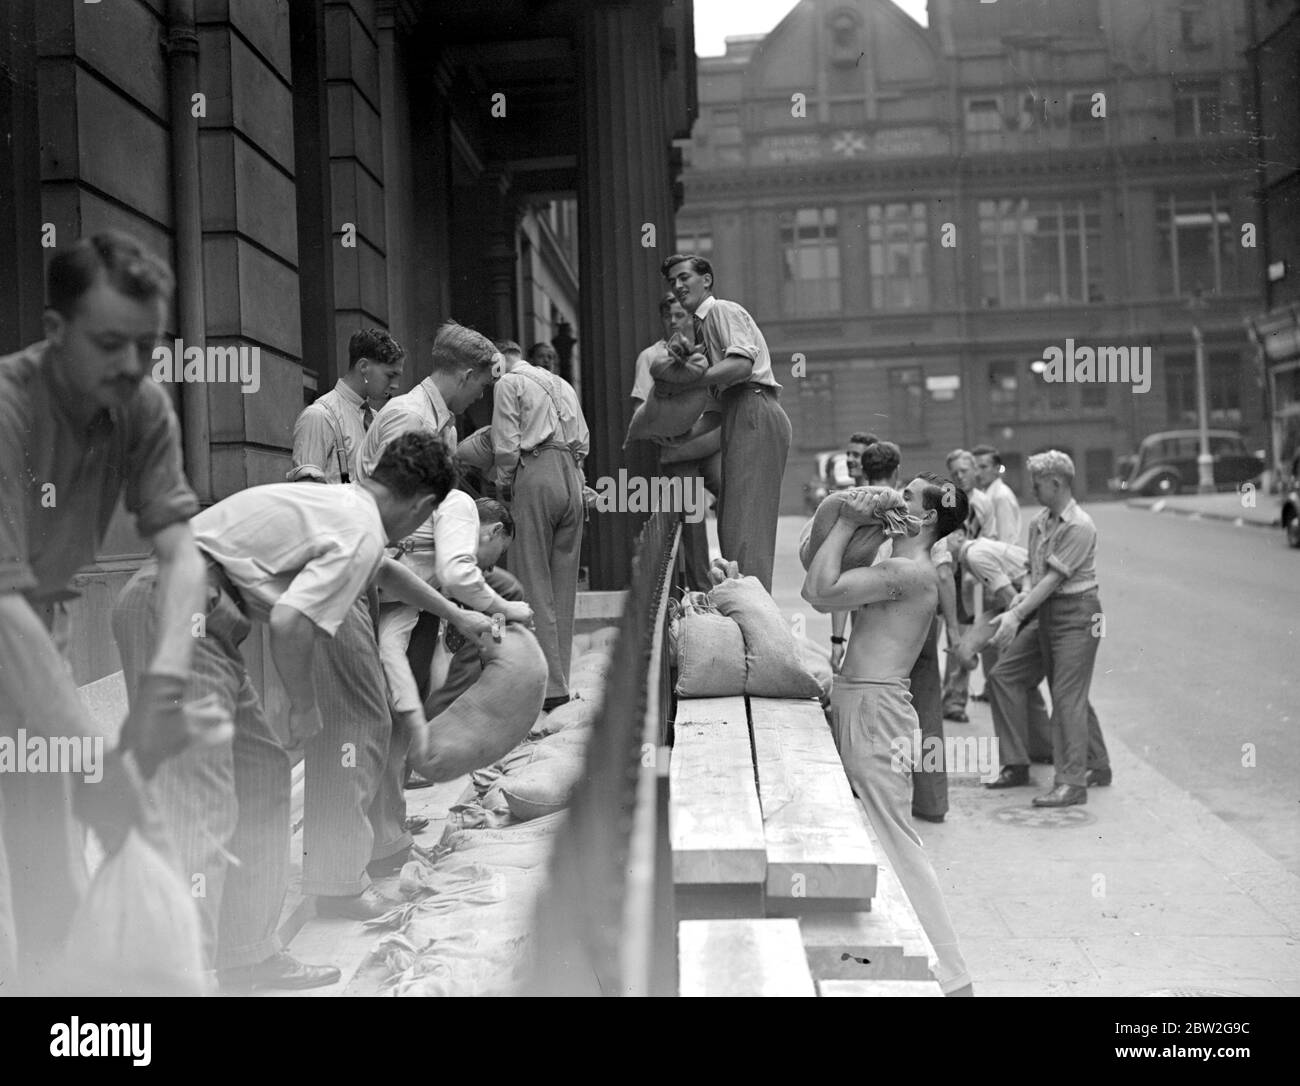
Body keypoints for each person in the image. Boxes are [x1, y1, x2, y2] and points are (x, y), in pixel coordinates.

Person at [112, 432, 495, 990]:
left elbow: (382, 573)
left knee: (263, 774)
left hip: (200, 615)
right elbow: (293, 622)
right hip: (177, 610)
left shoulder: (345, 503)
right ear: (421, 508)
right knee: (197, 802)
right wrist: (305, 706)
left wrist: (458, 618)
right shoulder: (360, 527)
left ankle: (249, 955)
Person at [0, 231, 209, 992]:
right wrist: (91, 756)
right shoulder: (7, 408)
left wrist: (163, 685)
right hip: (10, 619)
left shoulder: (142, 407)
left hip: (34, 628)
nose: (132, 364)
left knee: (49, 850)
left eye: (148, 345)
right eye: (111, 342)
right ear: (55, 333)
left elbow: (183, 555)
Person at [802, 474, 973, 996]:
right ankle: (885, 965)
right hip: (862, 702)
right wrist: (859, 525)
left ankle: (955, 978)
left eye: (906, 495)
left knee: (898, 845)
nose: (895, 498)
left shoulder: (909, 573)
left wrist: (853, 520)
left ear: (922, 519)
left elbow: (818, 591)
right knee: (875, 840)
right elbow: (820, 562)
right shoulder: (894, 564)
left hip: (877, 711)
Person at [357, 321, 510, 858]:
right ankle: (382, 843)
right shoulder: (410, 417)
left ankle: (390, 830)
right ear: (466, 375)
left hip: (414, 584)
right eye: (481, 388)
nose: (480, 399)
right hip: (395, 583)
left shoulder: (432, 418)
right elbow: (396, 508)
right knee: (388, 716)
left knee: (404, 708)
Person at [984, 451, 1111, 806]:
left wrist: (1016, 613)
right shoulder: (1040, 522)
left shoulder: (1079, 526)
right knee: (1005, 676)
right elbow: (1033, 572)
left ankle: (1072, 783)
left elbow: (1053, 580)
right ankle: (1021, 762)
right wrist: (1022, 595)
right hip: (1046, 611)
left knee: (1067, 695)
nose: (1032, 489)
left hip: (1077, 614)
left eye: (1037, 484)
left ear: (1056, 483)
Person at [662, 254, 791, 592]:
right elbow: (716, 408)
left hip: (754, 407)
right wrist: (682, 437)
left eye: (684, 277)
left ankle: (754, 614)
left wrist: (690, 380)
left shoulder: (721, 311)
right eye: (672, 281)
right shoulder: (704, 328)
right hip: (740, 412)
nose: (677, 286)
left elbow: (742, 366)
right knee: (734, 525)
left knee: (746, 527)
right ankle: (748, 607)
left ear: (707, 280)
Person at [491, 333, 590, 711]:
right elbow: (581, 440)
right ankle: (560, 680)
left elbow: (505, 446)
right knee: (563, 585)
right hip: (571, 475)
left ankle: (545, 689)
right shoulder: (561, 383)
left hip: (536, 472)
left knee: (531, 581)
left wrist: (504, 486)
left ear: (499, 361)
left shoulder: (508, 383)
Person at [631, 293, 722, 591]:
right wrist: (663, 433)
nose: (673, 321)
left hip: (711, 443)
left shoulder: (704, 350)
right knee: (693, 523)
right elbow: (641, 407)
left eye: (680, 315)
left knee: (734, 498)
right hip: (676, 452)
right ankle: (701, 592)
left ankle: (739, 578)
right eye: (668, 316)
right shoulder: (650, 357)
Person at [289, 327, 405, 483]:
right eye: (390, 375)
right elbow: (306, 493)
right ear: (363, 366)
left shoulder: (377, 419)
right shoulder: (319, 416)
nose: (395, 385)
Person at [940, 448, 993, 720]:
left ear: (975, 470)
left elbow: (990, 539)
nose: (960, 476)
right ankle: (936, 694)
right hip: (945, 570)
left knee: (963, 637)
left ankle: (955, 700)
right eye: (955, 472)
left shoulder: (984, 503)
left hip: (969, 576)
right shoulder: (948, 498)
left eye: (964, 470)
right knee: (937, 632)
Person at [971, 444, 1021, 544]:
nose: (977, 473)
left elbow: (1007, 540)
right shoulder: (984, 494)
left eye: (983, 467)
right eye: (975, 468)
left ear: (996, 469)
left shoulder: (1001, 496)